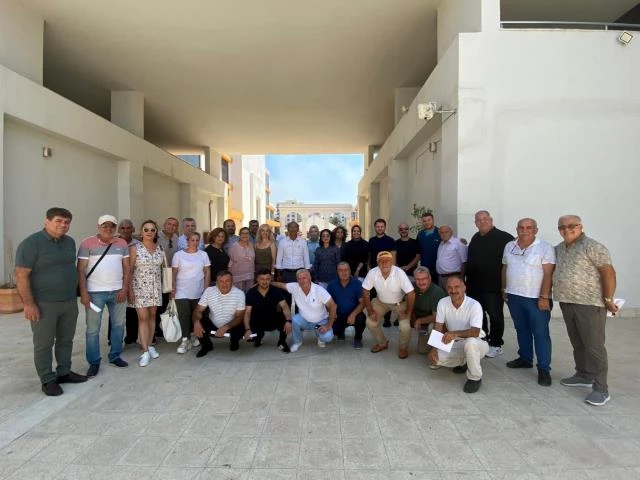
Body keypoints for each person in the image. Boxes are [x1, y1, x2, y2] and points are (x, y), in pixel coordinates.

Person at [15, 207, 88, 396]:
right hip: (43, 304)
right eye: (58, 221)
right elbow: (21, 275)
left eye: (67, 222)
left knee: (66, 340)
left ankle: (64, 372)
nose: (63, 225)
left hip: (68, 302)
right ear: (46, 221)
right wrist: (29, 304)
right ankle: (47, 379)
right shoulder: (31, 243)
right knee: (44, 343)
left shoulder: (69, 242)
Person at [553, 215, 618, 406]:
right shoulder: (559, 248)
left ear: (580, 226)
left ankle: (601, 388)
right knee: (578, 342)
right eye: (562, 227)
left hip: (590, 304)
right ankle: (583, 374)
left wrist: (608, 299)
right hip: (567, 301)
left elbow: (608, 273)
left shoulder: (592, 246)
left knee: (594, 346)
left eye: (571, 226)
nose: (567, 229)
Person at [501, 218, 555, 386]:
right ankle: (525, 358)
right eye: (521, 227)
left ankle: (544, 369)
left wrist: (544, 297)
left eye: (529, 227)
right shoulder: (509, 246)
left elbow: (548, 274)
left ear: (535, 230)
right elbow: (505, 267)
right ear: (517, 229)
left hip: (536, 299)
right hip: (514, 296)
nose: (524, 230)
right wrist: (504, 289)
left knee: (540, 333)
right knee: (521, 329)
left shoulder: (544, 247)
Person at [77, 214, 130, 377]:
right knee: (93, 330)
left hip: (117, 292)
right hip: (95, 293)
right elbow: (81, 270)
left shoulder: (122, 243)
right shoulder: (87, 243)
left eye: (112, 225)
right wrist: (84, 293)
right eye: (105, 225)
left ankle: (115, 356)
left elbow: (127, 268)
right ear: (98, 227)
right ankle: (94, 362)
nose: (108, 228)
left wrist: (124, 289)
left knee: (118, 325)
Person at [427, 275, 489, 393]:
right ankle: (467, 361)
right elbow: (438, 327)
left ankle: (475, 378)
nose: (453, 290)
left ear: (464, 287)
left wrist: (455, 333)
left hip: (477, 342)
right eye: (450, 287)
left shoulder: (474, 304)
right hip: (455, 343)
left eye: (457, 287)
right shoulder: (442, 302)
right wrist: (433, 349)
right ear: (446, 289)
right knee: (436, 359)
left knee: (470, 343)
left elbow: (475, 332)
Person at [465, 210, 514, 358]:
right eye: (479, 220)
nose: (482, 222)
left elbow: (511, 263)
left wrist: (506, 286)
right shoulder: (475, 237)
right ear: (475, 223)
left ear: (491, 220)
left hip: (494, 287)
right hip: (475, 286)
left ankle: (496, 344)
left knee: (495, 316)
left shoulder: (505, 238)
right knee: (479, 315)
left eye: (485, 219)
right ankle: (483, 340)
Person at [362, 251, 415, 358]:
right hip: (380, 302)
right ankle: (382, 343)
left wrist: (408, 313)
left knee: (405, 326)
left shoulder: (399, 272)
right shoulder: (373, 272)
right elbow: (365, 292)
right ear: (377, 263)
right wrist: (370, 311)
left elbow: (411, 293)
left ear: (392, 262)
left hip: (399, 303)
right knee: (370, 322)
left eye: (388, 261)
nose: (384, 263)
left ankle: (403, 347)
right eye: (381, 261)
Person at [272, 269, 338, 352]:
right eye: (299, 279)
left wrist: (328, 325)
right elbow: (281, 285)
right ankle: (297, 342)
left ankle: (320, 338)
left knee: (327, 337)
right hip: (304, 320)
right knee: (295, 319)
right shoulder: (294, 287)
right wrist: (267, 282)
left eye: (304, 278)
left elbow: (333, 306)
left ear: (310, 278)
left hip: (320, 321)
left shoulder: (319, 290)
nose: (302, 281)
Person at [128, 219, 164, 367]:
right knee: (143, 318)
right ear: (141, 232)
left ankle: (149, 345)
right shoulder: (135, 248)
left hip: (155, 288)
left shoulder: (160, 248)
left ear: (156, 232)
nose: (149, 232)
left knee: (152, 317)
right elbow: (129, 270)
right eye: (146, 229)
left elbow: (163, 268)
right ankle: (144, 351)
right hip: (139, 288)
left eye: (152, 230)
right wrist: (129, 289)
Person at [171, 232, 211, 354]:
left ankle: (194, 335)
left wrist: (206, 289)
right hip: (181, 290)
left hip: (198, 290)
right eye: (192, 240)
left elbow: (207, 272)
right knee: (184, 315)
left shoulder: (203, 254)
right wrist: (172, 288)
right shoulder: (178, 255)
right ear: (187, 241)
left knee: (196, 315)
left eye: (197, 240)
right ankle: (185, 340)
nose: (194, 242)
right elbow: (173, 273)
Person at [192, 270, 246, 357]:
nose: (224, 284)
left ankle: (234, 341)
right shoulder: (209, 291)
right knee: (197, 320)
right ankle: (206, 346)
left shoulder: (240, 294)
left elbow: (239, 317)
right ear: (216, 283)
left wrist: (226, 327)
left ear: (232, 282)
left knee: (241, 325)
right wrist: (196, 322)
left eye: (227, 281)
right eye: (221, 281)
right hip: (213, 324)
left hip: (232, 326)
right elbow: (198, 310)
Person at [244, 268, 292, 353]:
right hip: (257, 320)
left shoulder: (275, 290)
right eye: (262, 279)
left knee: (284, 320)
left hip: (272, 318)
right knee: (252, 337)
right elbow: (247, 313)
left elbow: (285, 306)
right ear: (257, 280)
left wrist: (288, 321)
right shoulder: (251, 292)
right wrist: (247, 329)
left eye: (267, 279)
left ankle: (281, 342)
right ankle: (258, 339)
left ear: (270, 279)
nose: (265, 281)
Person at [327, 262, 366, 349]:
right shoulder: (332, 284)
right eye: (340, 270)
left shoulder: (357, 283)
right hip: (338, 315)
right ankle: (340, 332)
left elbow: (363, 302)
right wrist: (331, 312)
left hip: (353, 314)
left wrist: (353, 314)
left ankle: (358, 338)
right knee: (333, 331)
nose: (343, 272)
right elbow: (327, 302)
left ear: (350, 271)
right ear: (337, 272)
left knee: (361, 318)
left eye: (346, 270)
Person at [114, 219, 139, 346]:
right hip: (116, 280)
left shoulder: (138, 244)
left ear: (133, 229)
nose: (125, 230)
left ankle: (131, 337)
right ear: (119, 230)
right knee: (115, 312)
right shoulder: (113, 243)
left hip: (134, 280)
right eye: (123, 228)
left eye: (128, 228)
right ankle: (113, 339)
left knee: (132, 310)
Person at [155, 217, 180, 339]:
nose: (171, 226)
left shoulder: (176, 237)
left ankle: (163, 328)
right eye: (169, 224)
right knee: (157, 303)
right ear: (164, 224)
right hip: (158, 274)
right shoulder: (157, 237)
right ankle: (155, 330)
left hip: (170, 275)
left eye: (174, 225)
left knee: (166, 302)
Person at [412, 266, 446, 336]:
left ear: (429, 278)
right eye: (418, 279)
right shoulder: (413, 287)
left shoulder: (437, 292)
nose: (421, 282)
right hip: (417, 319)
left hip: (434, 321)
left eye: (424, 278)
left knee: (432, 327)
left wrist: (419, 321)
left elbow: (437, 317)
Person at [435, 225, 467, 289]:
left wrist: (461, 279)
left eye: (446, 232)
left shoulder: (458, 243)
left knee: (454, 295)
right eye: (441, 233)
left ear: (451, 232)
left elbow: (464, 262)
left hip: (453, 277)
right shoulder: (441, 244)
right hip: (441, 278)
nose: (444, 234)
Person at [228, 227, 255, 293]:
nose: (245, 235)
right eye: (243, 233)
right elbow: (230, 262)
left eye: (247, 233)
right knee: (239, 294)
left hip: (249, 274)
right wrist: (229, 275)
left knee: (249, 294)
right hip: (238, 276)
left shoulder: (251, 245)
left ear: (249, 235)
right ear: (239, 235)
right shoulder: (234, 246)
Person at [416, 212, 441, 285]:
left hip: (438, 270)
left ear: (433, 220)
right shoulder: (420, 234)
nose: (427, 222)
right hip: (425, 269)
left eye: (429, 220)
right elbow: (418, 251)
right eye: (424, 221)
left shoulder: (440, 232)